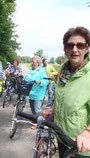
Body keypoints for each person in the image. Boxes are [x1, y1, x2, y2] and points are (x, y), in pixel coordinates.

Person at [42, 26, 90, 157]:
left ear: (87, 48)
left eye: (80, 45)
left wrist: (87, 133)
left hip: (81, 146)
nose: (75, 49)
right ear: (65, 49)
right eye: (70, 45)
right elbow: (60, 95)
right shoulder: (63, 69)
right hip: (62, 136)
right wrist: (52, 109)